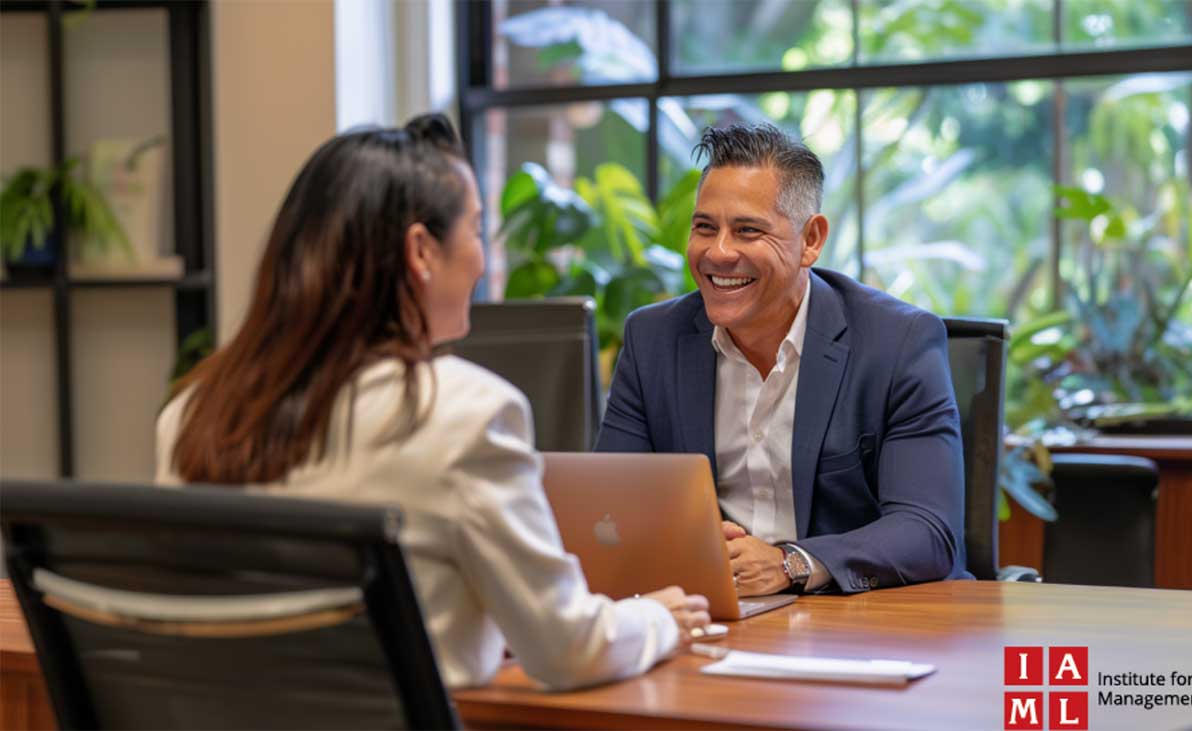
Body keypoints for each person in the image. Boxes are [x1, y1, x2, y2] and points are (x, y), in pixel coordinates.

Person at [154, 114, 709, 691]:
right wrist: (657, 620)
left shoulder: (192, 412)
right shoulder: (463, 413)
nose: (481, 259)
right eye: (475, 230)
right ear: (421, 250)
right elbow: (568, 649)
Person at [596, 122, 969, 596]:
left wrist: (790, 563)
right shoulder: (653, 340)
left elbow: (927, 528)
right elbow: (609, 508)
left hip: (866, 622)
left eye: (748, 230)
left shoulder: (897, 343)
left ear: (810, 240)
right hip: (717, 615)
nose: (719, 252)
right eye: (704, 227)